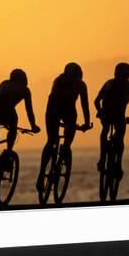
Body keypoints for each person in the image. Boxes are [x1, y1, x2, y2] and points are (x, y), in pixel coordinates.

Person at [36, 62, 91, 191]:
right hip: (60, 109)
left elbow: (84, 105)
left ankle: (41, 175)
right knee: (55, 140)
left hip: (55, 110)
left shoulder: (61, 79)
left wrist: (87, 122)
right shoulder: (76, 83)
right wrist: (86, 124)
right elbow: (84, 105)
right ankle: (64, 150)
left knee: (51, 140)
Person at [94, 62, 129, 178]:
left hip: (112, 115)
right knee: (114, 133)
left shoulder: (116, 84)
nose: (124, 79)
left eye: (126, 77)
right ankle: (110, 162)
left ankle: (109, 161)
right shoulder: (118, 85)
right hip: (111, 115)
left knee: (112, 133)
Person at [0, 69, 40, 161]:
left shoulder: (4, 83)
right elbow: (29, 110)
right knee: (13, 128)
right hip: (7, 111)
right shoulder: (25, 90)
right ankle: (8, 152)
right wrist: (33, 126)